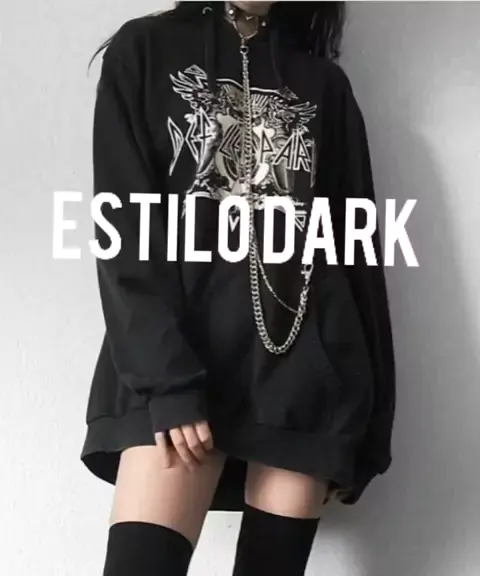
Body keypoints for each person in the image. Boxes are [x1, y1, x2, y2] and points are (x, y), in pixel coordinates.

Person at [81, 1, 396, 574]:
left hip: (303, 383)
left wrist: (369, 432)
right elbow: (124, 235)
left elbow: (356, 253)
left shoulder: (323, 84)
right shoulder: (145, 50)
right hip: (179, 363)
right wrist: (166, 381)